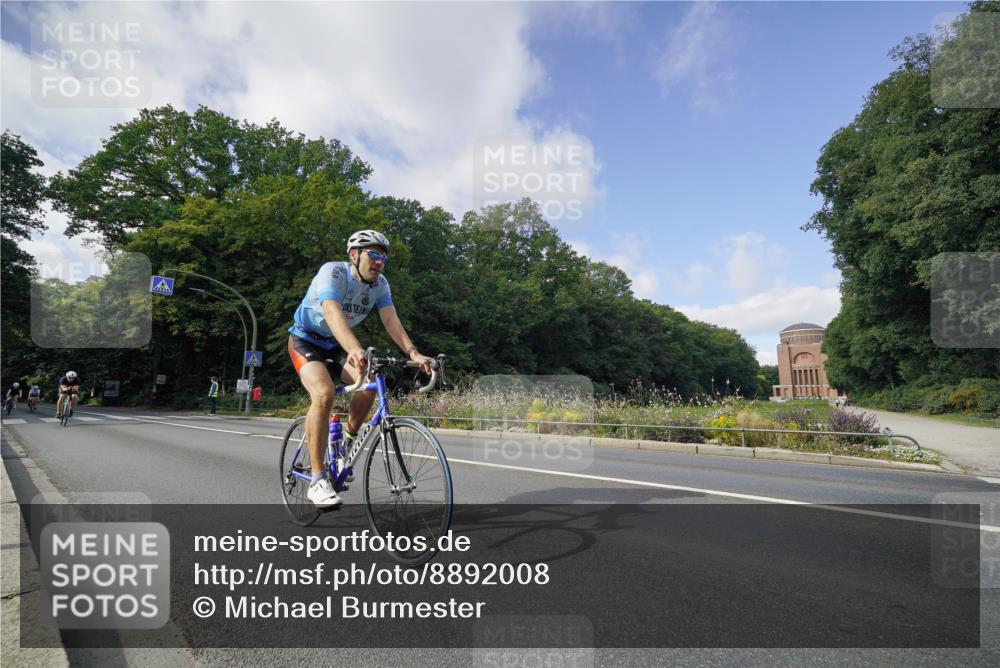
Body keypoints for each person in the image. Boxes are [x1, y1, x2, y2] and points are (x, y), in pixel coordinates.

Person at [288, 229, 433, 508]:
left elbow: (391, 320)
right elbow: (332, 312)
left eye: (384, 257)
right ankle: (318, 480)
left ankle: (346, 442)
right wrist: (354, 348)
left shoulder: (380, 284)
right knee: (324, 393)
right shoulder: (333, 273)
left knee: (370, 383)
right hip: (304, 340)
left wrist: (414, 353)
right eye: (374, 254)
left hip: (335, 344)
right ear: (354, 255)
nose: (379, 262)